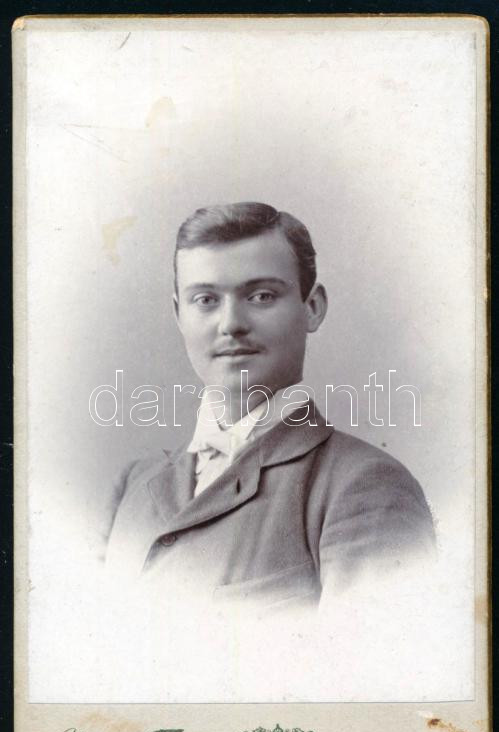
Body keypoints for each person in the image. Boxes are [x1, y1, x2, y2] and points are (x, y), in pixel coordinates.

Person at [105, 202, 435, 611]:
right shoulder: (132, 487)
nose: (231, 324)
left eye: (261, 296)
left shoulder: (365, 486)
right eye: (206, 299)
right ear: (178, 315)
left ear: (312, 308)